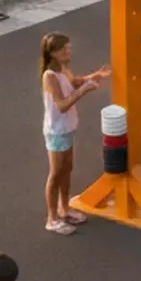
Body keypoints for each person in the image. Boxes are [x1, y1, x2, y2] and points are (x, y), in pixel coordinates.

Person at [38, 33, 107, 235]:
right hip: (57, 130)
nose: (69, 53)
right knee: (56, 173)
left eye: (69, 48)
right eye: (64, 50)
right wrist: (84, 90)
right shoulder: (49, 76)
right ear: (52, 54)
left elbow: (74, 82)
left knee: (67, 169)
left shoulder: (62, 68)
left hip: (66, 128)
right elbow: (61, 105)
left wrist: (94, 76)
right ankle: (51, 218)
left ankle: (65, 208)